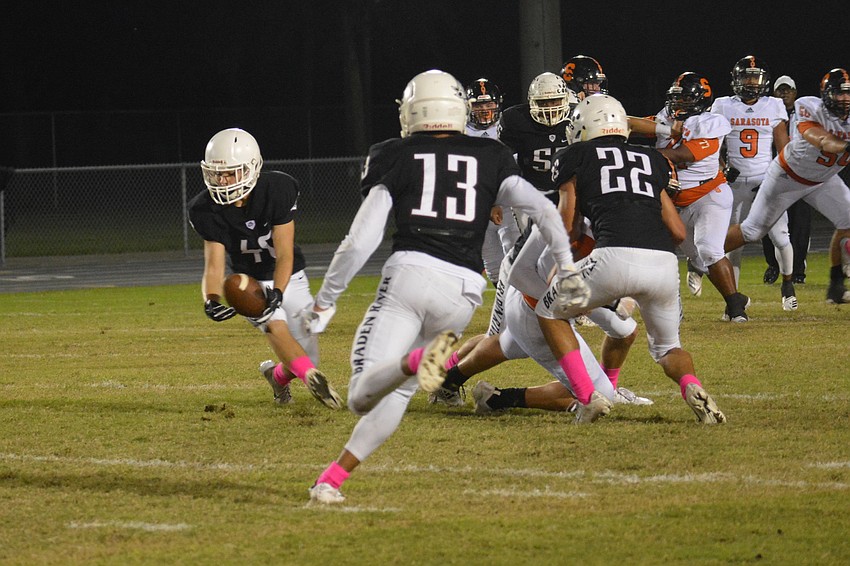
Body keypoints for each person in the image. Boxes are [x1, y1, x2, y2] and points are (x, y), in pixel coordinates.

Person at [306, 70, 589, 504]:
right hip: (463, 292)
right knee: (397, 395)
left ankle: (417, 360)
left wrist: (326, 300)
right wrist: (567, 269)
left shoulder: (394, 154)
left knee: (360, 396)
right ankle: (330, 480)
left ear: (411, 112)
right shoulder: (490, 154)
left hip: (410, 276)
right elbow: (545, 212)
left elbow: (360, 239)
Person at [537, 93, 726, 424]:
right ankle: (691, 384)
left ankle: (586, 397)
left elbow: (566, 225)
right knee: (668, 348)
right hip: (663, 264)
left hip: (611, 256)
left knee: (549, 312)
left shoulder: (576, 154)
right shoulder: (650, 157)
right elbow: (679, 232)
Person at [188, 128, 343, 410]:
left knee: (305, 353)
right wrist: (211, 299)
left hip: (289, 276)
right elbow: (214, 264)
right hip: (248, 284)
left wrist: (280, 290)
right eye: (217, 174)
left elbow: (284, 252)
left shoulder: (278, 189)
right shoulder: (204, 208)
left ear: (251, 168)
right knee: (276, 326)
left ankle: (278, 376)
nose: (222, 180)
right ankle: (311, 378)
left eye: (230, 173)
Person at [725, 69, 850, 305]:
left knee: (847, 221)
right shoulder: (809, 106)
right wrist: (845, 146)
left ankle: (835, 286)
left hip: (823, 181)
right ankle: (705, 255)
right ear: (826, 94)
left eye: (848, 94)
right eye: (839, 94)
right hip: (787, 178)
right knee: (752, 231)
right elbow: (821, 139)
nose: (844, 99)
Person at [654, 72, 750, 322]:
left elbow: (686, 154)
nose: (678, 104)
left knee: (709, 250)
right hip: (675, 201)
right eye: (676, 98)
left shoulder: (711, 123)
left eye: (685, 99)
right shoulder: (665, 118)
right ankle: (734, 298)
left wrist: (641, 155)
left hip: (709, 194)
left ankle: (735, 308)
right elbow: (635, 124)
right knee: (684, 256)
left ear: (700, 101)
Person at [710, 56, 796, 311]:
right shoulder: (723, 105)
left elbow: (784, 149)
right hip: (735, 184)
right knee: (733, 245)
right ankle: (732, 300)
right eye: (746, 77)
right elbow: (712, 146)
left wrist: (777, 178)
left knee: (781, 236)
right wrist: (723, 168)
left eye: (755, 77)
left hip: (764, 181)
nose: (751, 82)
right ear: (736, 80)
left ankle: (788, 285)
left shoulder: (773, 105)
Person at [762, 75, 812, 285]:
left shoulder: (806, 115)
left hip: (799, 176)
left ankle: (798, 269)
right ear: (774, 93)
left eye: (787, 90)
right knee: (768, 223)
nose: (784, 93)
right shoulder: (767, 114)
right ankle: (773, 265)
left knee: (800, 225)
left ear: (795, 92)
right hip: (773, 175)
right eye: (780, 90)